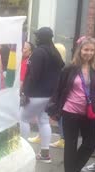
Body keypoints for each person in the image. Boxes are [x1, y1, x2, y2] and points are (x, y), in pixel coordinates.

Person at [48, 37, 95, 172]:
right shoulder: (69, 69)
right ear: (80, 51)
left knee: (90, 142)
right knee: (71, 144)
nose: (89, 53)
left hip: (89, 113)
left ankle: (76, 168)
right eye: (86, 49)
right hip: (70, 111)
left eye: (92, 50)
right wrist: (54, 110)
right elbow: (59, 90)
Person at [20, 27, 65, 163]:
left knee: (23, 119)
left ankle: (23, 153)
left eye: (37, 36)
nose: (36, 38)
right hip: (49, 95)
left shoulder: (39, 52)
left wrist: (25, 92)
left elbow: (34, 75)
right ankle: (45, 153)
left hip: (35, 94)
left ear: (40, 37)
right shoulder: (55, 52)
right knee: (44, 121)